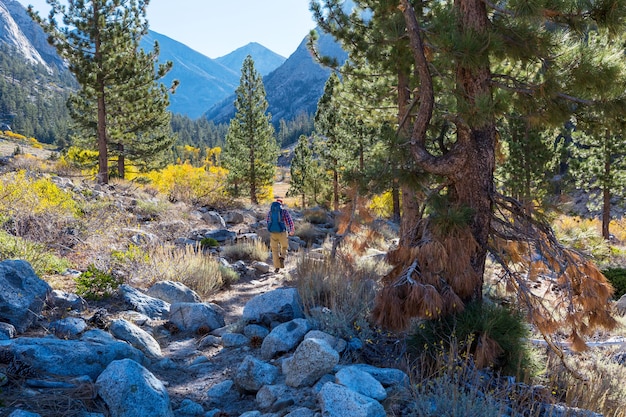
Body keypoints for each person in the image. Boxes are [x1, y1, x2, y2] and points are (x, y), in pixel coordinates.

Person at [266, 198, 295, 273]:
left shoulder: (270, 212)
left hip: (273, 232)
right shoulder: (284, 211)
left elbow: (267, 221)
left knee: (274, 249)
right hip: (282, 232)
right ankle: (282, 257)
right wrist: (291, 230)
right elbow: (289, 221)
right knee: (284, 247)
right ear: (281, 204)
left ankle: (277, 267)